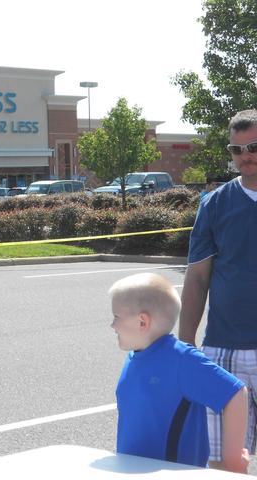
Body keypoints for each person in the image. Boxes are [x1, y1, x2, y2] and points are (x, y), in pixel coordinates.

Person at [179, 108, 257, 470]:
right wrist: (183, 346)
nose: (246, 156)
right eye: (237, 150)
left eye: (254, 146)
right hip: (223, 351)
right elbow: (197, 278)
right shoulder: (214, 204)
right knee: (226, 466)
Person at [110, 273, 248, 472]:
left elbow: (235, 393)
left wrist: (233, 459)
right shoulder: (135, 355)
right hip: (132, 471)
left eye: (116, 317)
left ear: (142, 321)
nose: (112, 325)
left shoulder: (182, 359)